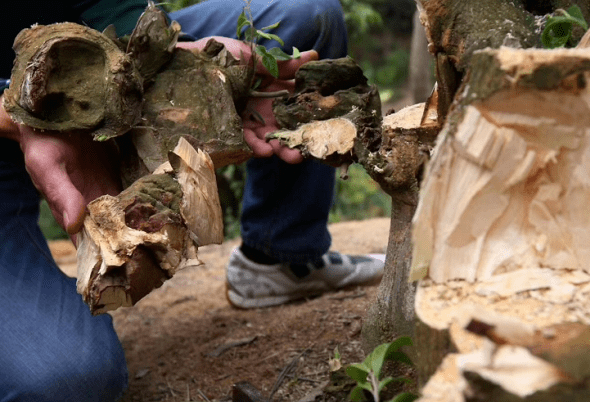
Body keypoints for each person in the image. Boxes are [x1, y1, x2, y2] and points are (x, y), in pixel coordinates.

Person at [0, 0, 384, 399]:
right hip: (23, 114)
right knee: (63, 382)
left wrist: (174, 61)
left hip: (92, 73)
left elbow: (107, 6)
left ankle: (281, 256)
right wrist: (16, 117)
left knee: (309, 17)